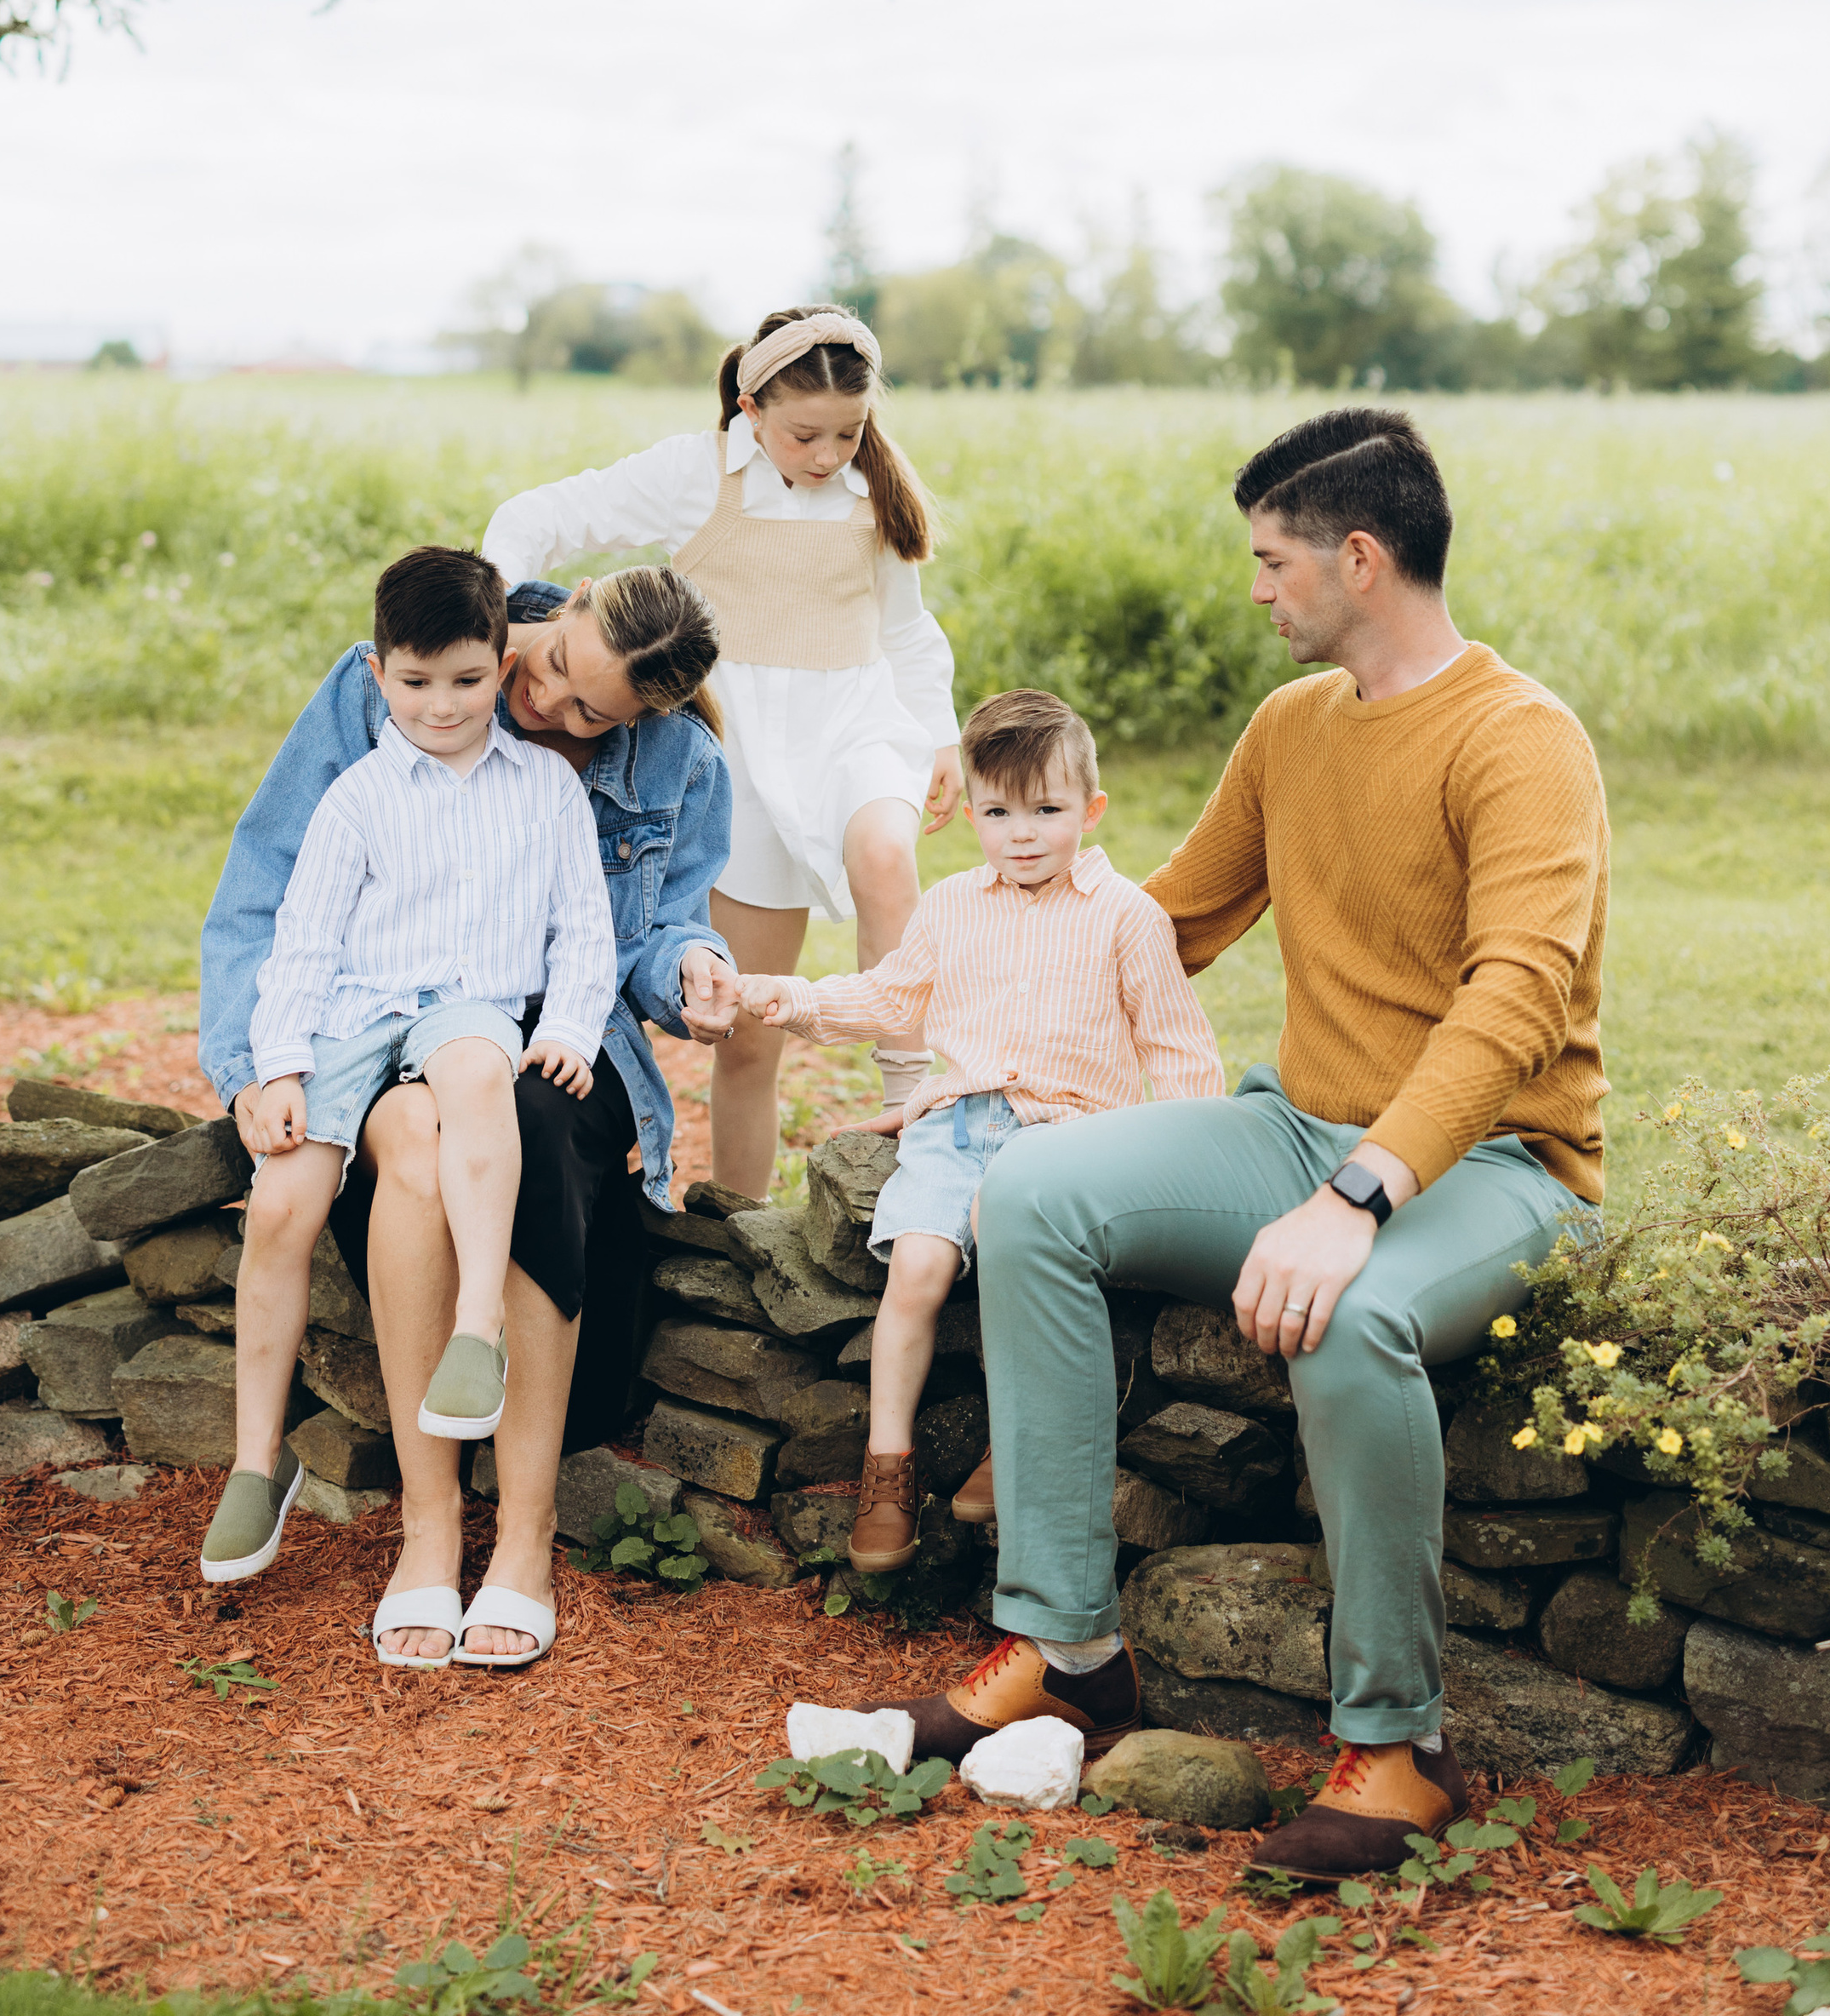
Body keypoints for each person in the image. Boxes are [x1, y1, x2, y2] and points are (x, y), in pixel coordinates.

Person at [897, 410, 1610, 1884]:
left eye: (1272, 562)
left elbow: (1518, 1001)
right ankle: (1066, 1649)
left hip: (1494, 1169)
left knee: (1349, 1322)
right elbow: (1164, 928)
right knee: (1031, 1193)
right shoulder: (1292, 729)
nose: (1256, 590)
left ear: (1359, 559)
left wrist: (1361, 1193)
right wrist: (990, 962)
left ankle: (1399, 1752)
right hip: (1292, 1127)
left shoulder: (1520, 740)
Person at [199, 562, 741, 1669]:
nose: (545, 706)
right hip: (379, 1014)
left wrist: (692, 967)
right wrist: (261, 1067)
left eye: (591, 712)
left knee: (528, 1128)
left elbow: (639, 931)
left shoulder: (677, 766)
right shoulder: (418, 673)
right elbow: (275, 890)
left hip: (549, 1036)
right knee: (407, 1145)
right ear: (553, 616)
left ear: (647, 717)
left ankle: (525, 1535)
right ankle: (429, 1522)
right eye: (545, 670)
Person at [736, 685, 1223, 1572]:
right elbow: (890, 995)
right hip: (958, 1125)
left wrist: (1182, 1164)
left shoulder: (1127, 918)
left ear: (1092, 808)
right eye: (998, 812)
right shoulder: (952, 906)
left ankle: (1020, 1441)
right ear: (970, 811)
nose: (1023, 833)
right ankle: (887, 1468)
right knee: (918, 1269)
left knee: (1018, 1261)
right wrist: (791, 996)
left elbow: (1177, 1047)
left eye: (1047, 809)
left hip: (1067, 1136)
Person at [483, 306, 960, 1200]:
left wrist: (939, 732)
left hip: (858, 722)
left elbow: (907, 629)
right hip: (739, 756)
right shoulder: (692, 474)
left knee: (885, 856)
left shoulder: (874, 494)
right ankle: (742, 1224)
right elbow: (541, 513)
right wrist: (492, 612)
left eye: (849, 434)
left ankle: (914, 1097)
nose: (827, 454)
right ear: (749, 408)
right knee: (749, 1031)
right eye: (804, 434)